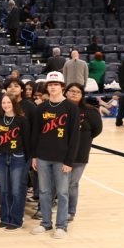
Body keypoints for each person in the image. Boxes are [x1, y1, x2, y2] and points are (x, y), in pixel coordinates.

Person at [30, 72, 80, 238]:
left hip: (62, 159)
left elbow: (74, 137)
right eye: (50, 84)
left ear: (62, 87)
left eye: (56, 84)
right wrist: (35, 156)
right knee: (44, 192)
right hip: (43, 157)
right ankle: (45, 223)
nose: (52, 87)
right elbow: (35, 134)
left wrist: (69, 161)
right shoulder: (41, 108)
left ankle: (61, 226)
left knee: (63, 192)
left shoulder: (71, 108)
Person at [65, 83, 102, 223]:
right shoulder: (61, 108)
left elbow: (97, 130)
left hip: (80, 154)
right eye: (71, 91)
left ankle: (70, 211)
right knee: (59, 183)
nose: (74, 94)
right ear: (66, 92)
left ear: (82, 95)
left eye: (77, 92)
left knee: (72, 183)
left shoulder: (90, 111)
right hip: (61, 153)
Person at [0, 94, 30, 231]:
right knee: (4, 190)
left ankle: (16, 220)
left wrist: (28, 159)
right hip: (2, 156)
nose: (6, 105)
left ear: (14, 103)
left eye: (9, 102)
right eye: (4, 102)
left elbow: (27, 140)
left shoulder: (22, 120)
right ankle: (5, 218)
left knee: (16, 190)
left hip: (18, 157)